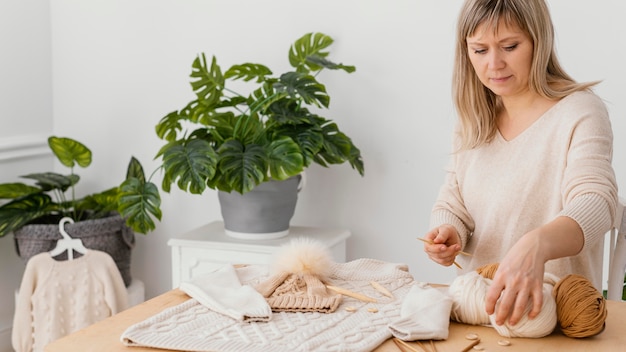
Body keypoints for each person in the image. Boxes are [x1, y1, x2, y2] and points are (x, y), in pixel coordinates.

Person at [422, 0, 618, 328]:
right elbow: (453, 201)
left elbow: (596, 202)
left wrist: (535, 245)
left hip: (551, 318)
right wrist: (448, 231)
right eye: (479, 50)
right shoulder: (473, 119)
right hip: (480, 314)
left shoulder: (579, 112)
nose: (494, 64)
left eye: (509, 46)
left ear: (539, 41)